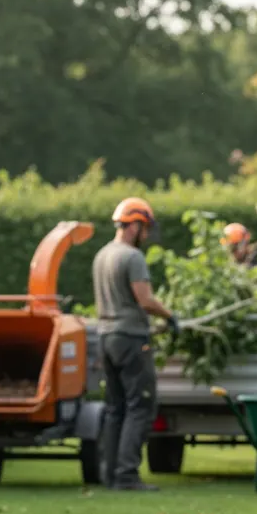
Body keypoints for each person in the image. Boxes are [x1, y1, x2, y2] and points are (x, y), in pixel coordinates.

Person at [92, 197, 178, 491]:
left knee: (115, 408)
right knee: (140, 406)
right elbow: (145, 300)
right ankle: (127, 475)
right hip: (130, 339)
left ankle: (110, 473)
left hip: (106, 338)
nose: (146, 235)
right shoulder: (132, 257)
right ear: (135, 225)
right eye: (145, 228)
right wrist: (170, 316)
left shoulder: (102, 255)